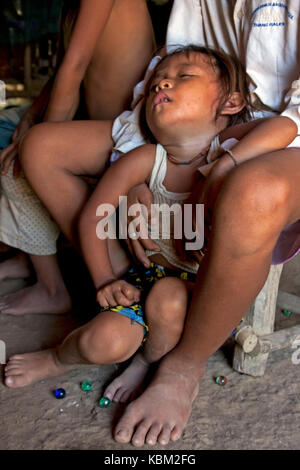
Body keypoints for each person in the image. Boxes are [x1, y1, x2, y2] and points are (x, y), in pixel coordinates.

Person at [9, 0, 300, 447]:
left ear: (232, 103)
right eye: (159, 81)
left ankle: (172, 363)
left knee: (168, 298)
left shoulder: (233, 140)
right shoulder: (151, 156)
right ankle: (66, 349)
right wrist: (108, 269)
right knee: (99, 343)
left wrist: (226, 166)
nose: (162, 81)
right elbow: (96, 213)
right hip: (141, 276)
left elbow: (284, 126)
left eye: (181, 78)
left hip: (180, 285)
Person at [0, 0, 154, 315]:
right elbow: (64, 68)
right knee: (13, 134)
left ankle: (52, 286)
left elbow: (75, 67)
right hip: (104, 128)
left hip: (128, 136)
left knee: (21, 160)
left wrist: (40, 141)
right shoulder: (72, 5)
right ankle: (32, 256)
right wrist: (31, 117)